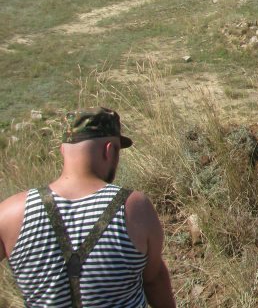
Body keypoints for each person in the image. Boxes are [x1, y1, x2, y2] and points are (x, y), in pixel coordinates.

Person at [0, 107, 176, 307]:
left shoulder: (9, 213)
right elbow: (154, 280)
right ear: (110, 150)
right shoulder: (134, 208)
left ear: (63, 150)